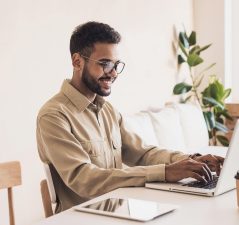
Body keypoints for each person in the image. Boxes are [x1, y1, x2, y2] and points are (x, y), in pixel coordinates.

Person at [36, 21, 224, 213]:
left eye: (116, 65)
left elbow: (143, 153)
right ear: (77, 61)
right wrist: (165, 173)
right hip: (82, 219)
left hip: (121, 216)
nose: (114, 73)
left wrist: (191, 161)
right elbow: (84, 179)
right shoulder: (53, 116)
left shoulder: (108, 110)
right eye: (105, 64)